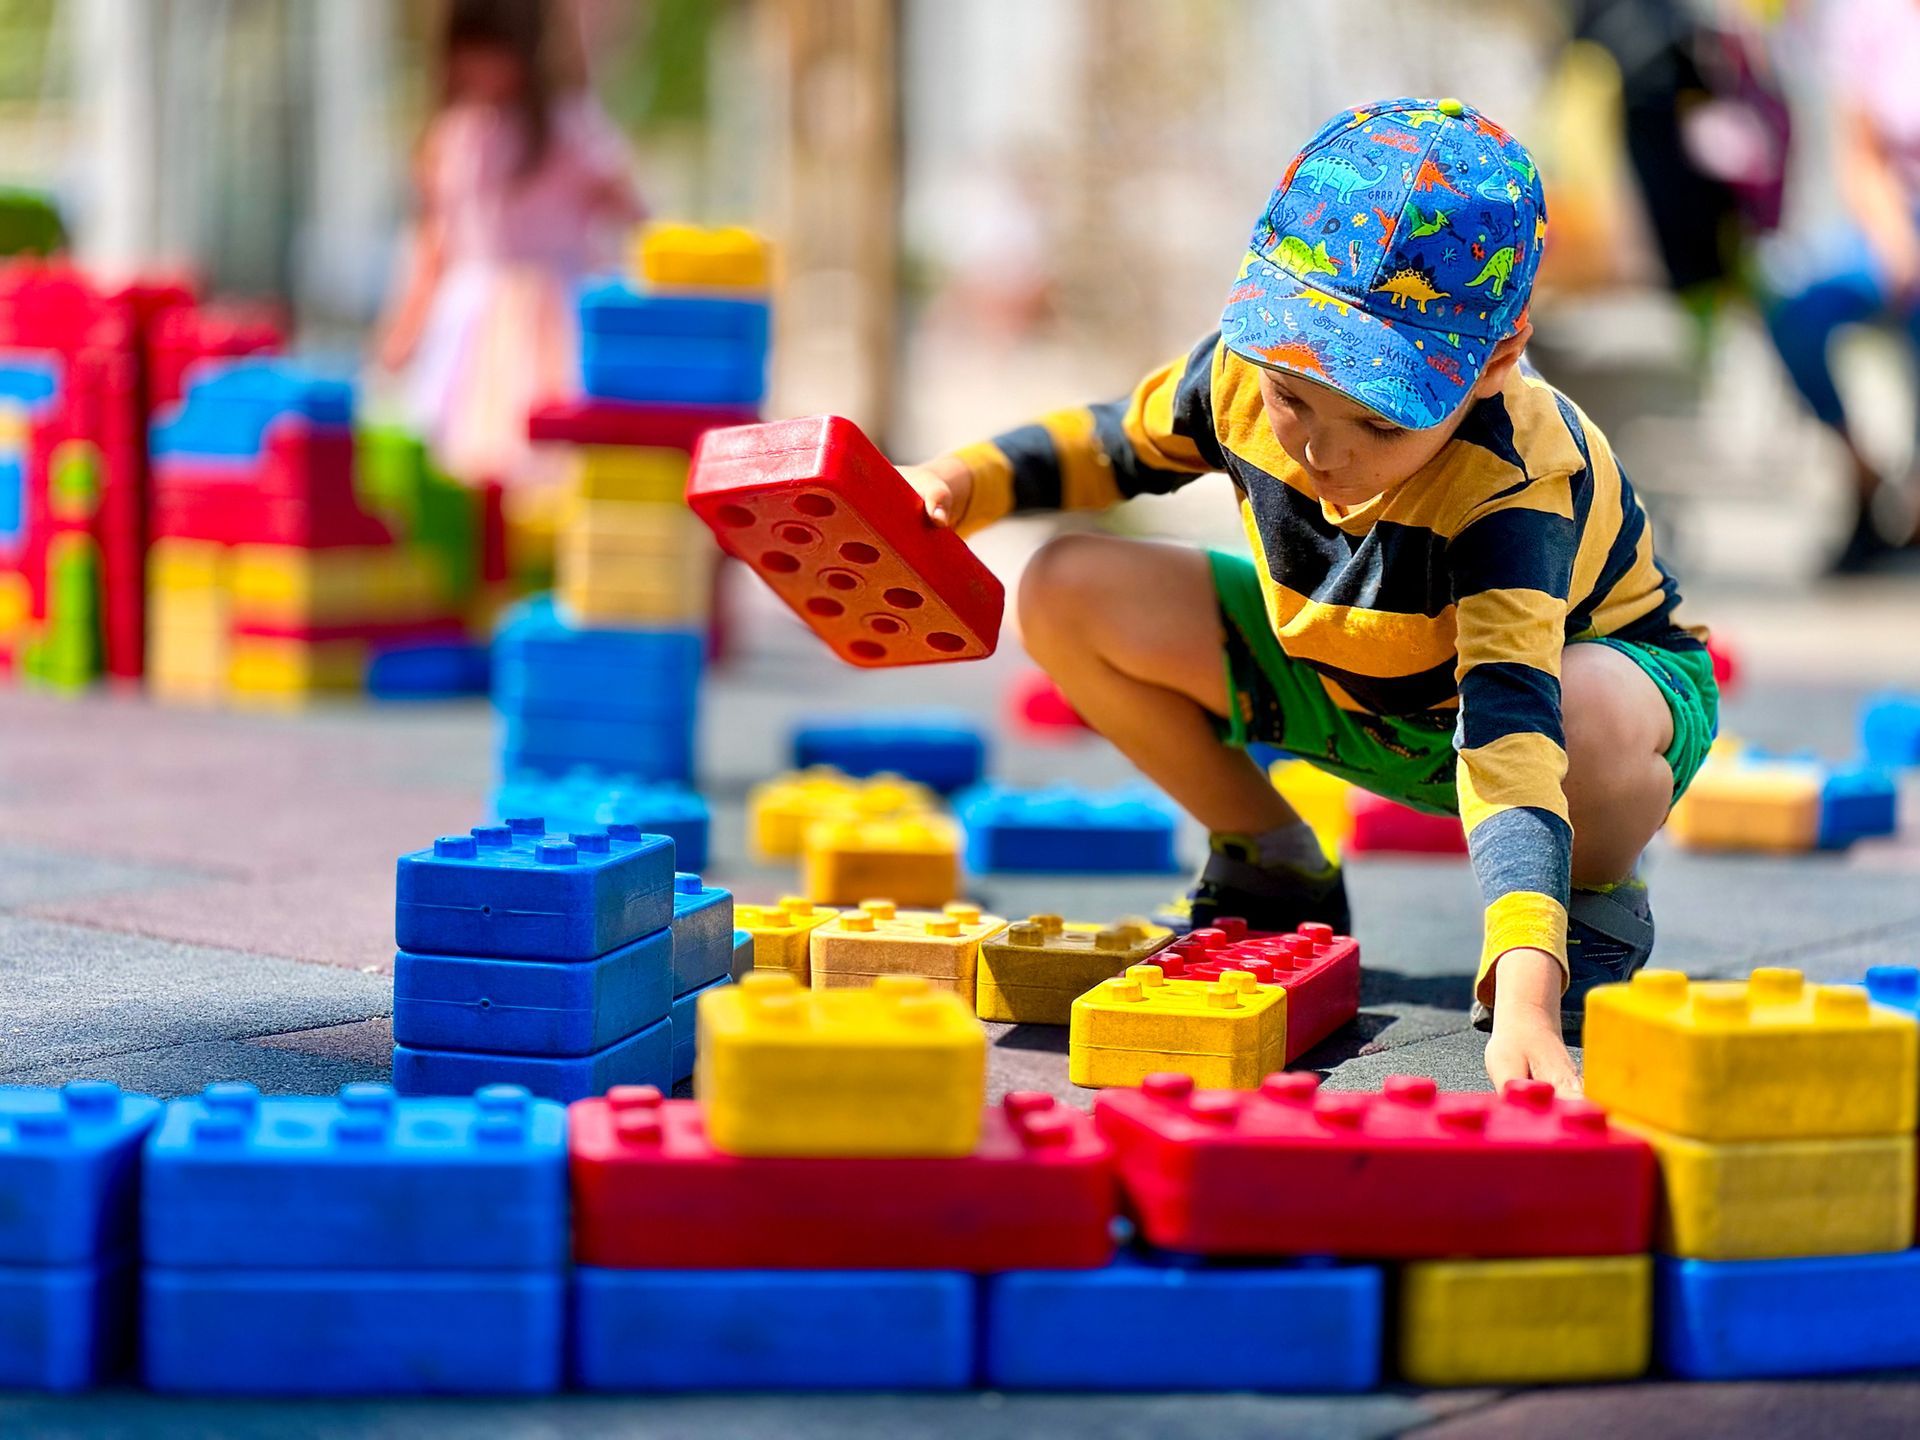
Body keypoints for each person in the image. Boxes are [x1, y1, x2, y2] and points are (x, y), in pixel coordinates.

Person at [901, 98, 1718, 1094]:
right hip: (1353, 680)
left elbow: (1510, 733)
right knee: (1066, 586)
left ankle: (1592, 898)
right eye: (1295, 400)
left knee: (1586, 706)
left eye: (1377, 422)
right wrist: (957, 484)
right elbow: (1109, 444)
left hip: (1544, 717)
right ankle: (1273, 858)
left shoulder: (1512, 480)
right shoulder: (1244, 376)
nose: (1323, 449)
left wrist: (1526, 994)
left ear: (1496, 362)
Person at [375, 0, 644, 486]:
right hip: (468, 325)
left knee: (547, 455)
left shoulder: (567, 130)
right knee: (465, 461)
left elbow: (632, 210)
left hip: (550, 319)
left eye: (495, 50)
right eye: (469, 51)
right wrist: (403, 328)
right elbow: (436, 246)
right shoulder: (454, 137)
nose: (482, 67)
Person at [1764, 0, 1920, 570]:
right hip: (1896, 218)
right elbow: (1863, 152)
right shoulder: (1869, 19)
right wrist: (1894, 235)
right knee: (1796, 304)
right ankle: (1861, 468)